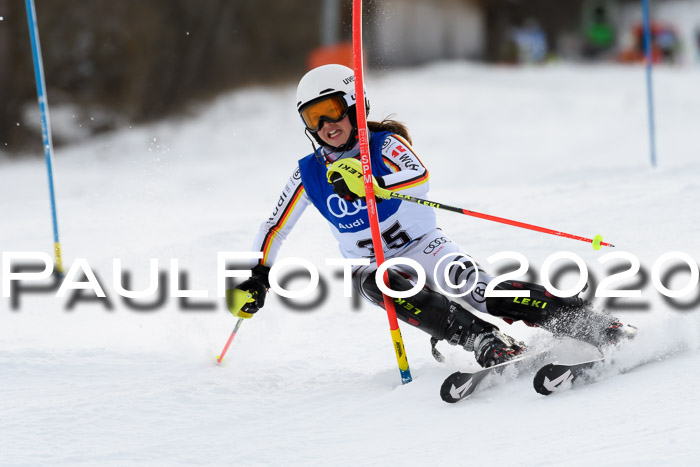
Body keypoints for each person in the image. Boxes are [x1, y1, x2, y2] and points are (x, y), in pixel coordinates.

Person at [234, 64, 636, 368]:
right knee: (381, 283)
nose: (325, 125)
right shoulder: (308, 172)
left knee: (482, 292)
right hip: (370, 262)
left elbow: (419, 177)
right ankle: (483, 340)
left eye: (331, 110)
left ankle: (588, 323)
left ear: (354, 105)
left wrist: (371, 182)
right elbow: (275, 225)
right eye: (312, 117)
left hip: (424, 245)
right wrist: (258, 274)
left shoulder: (385, 144)